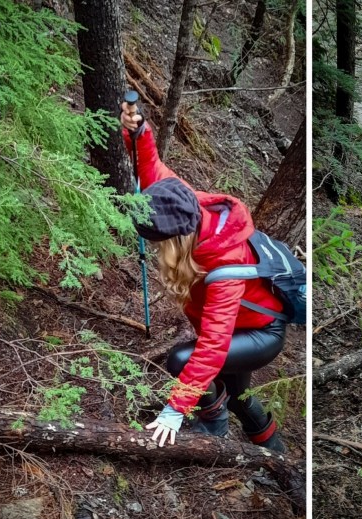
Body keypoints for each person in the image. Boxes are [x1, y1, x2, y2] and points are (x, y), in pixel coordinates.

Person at [120, 102, 286, 452]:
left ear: (175, 242)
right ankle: (278, 456)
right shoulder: (184, 204)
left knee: (183, 359)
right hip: (242, 325)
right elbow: (152, 170)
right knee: (240, 395)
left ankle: (214, 425)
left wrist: (174, 411)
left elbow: (212, 347)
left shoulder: (225, 264)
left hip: (259, 334)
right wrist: (138, 131)